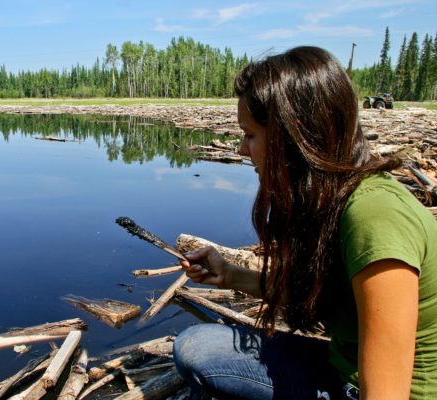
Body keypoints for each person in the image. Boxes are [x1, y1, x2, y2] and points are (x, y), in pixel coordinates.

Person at [173, 46, 437, 400]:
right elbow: (323, 298)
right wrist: (231, 275)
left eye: (249, 135)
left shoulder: (375, 218)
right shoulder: (336, 198)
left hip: (373, 388)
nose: (240, 149)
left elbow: (388, 393)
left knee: (198, 351)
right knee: (196, 345)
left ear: (293, 137)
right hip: (343, 364)